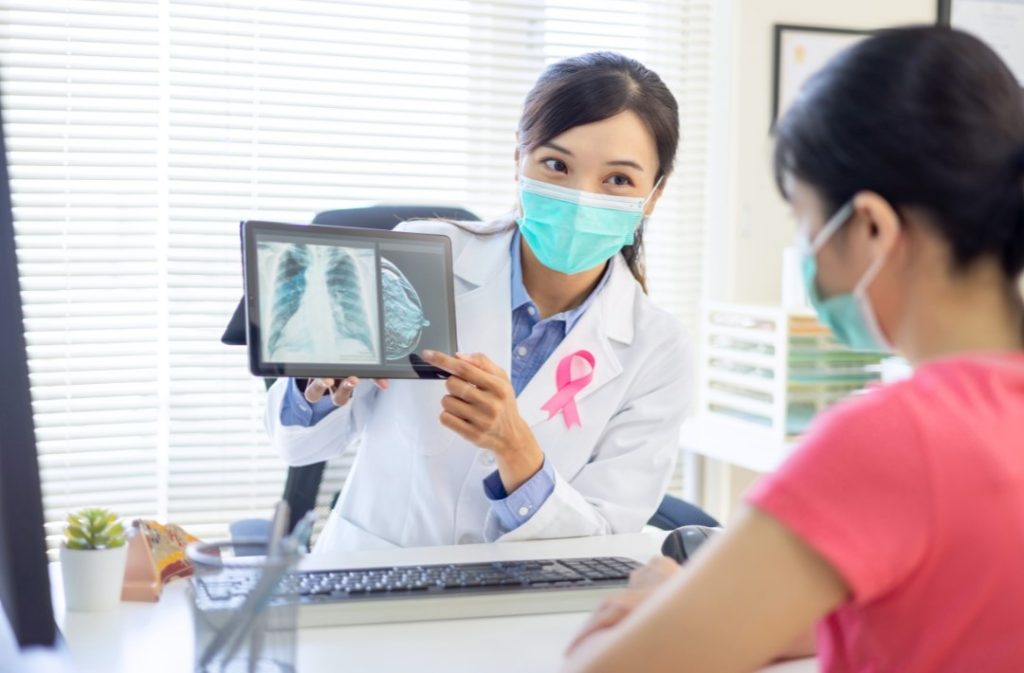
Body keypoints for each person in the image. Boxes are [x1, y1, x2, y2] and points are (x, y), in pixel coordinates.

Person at [563, 26, 1024, 673]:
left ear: (869, 226)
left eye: (804, 221)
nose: (805, 253)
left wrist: (660, 607)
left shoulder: (895, 438)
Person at [264, 52, 702, 553]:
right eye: (556, 165)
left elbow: (603, 541)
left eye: (618, 179)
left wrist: (516, 450)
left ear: (654, 194)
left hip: (519, 607)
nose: (581, 197)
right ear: (518, 160)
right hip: (369, 574)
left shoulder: (658, 349)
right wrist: (314, 383)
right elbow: (298, 447)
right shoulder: (421, 257)